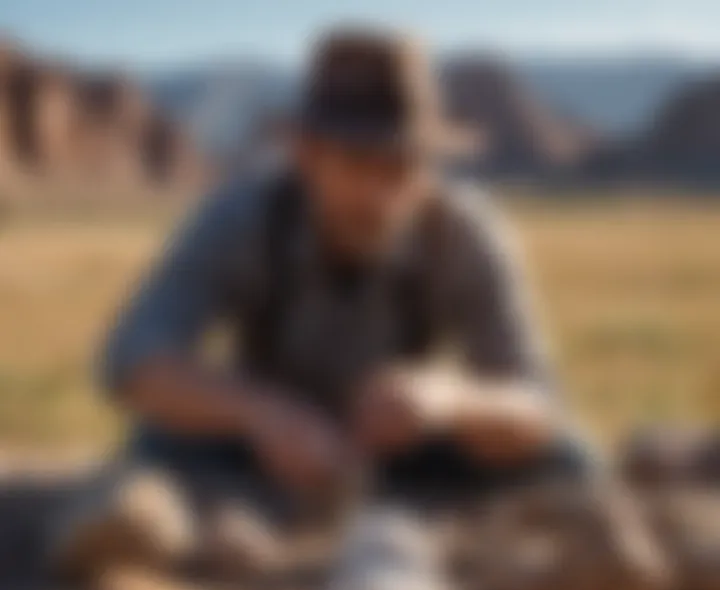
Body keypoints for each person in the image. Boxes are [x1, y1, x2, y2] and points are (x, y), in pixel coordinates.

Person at [99, 29, 594, 521]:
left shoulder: (463, 231)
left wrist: (447, 399)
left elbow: (537, 403)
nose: (380, 195)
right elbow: (135, 358)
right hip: (263, 454)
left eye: (402, 167)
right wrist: (262, 414)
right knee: (153, 447)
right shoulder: (243, 217)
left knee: (567, 460)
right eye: (359, 163)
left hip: (410, 454)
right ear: (306, 155)